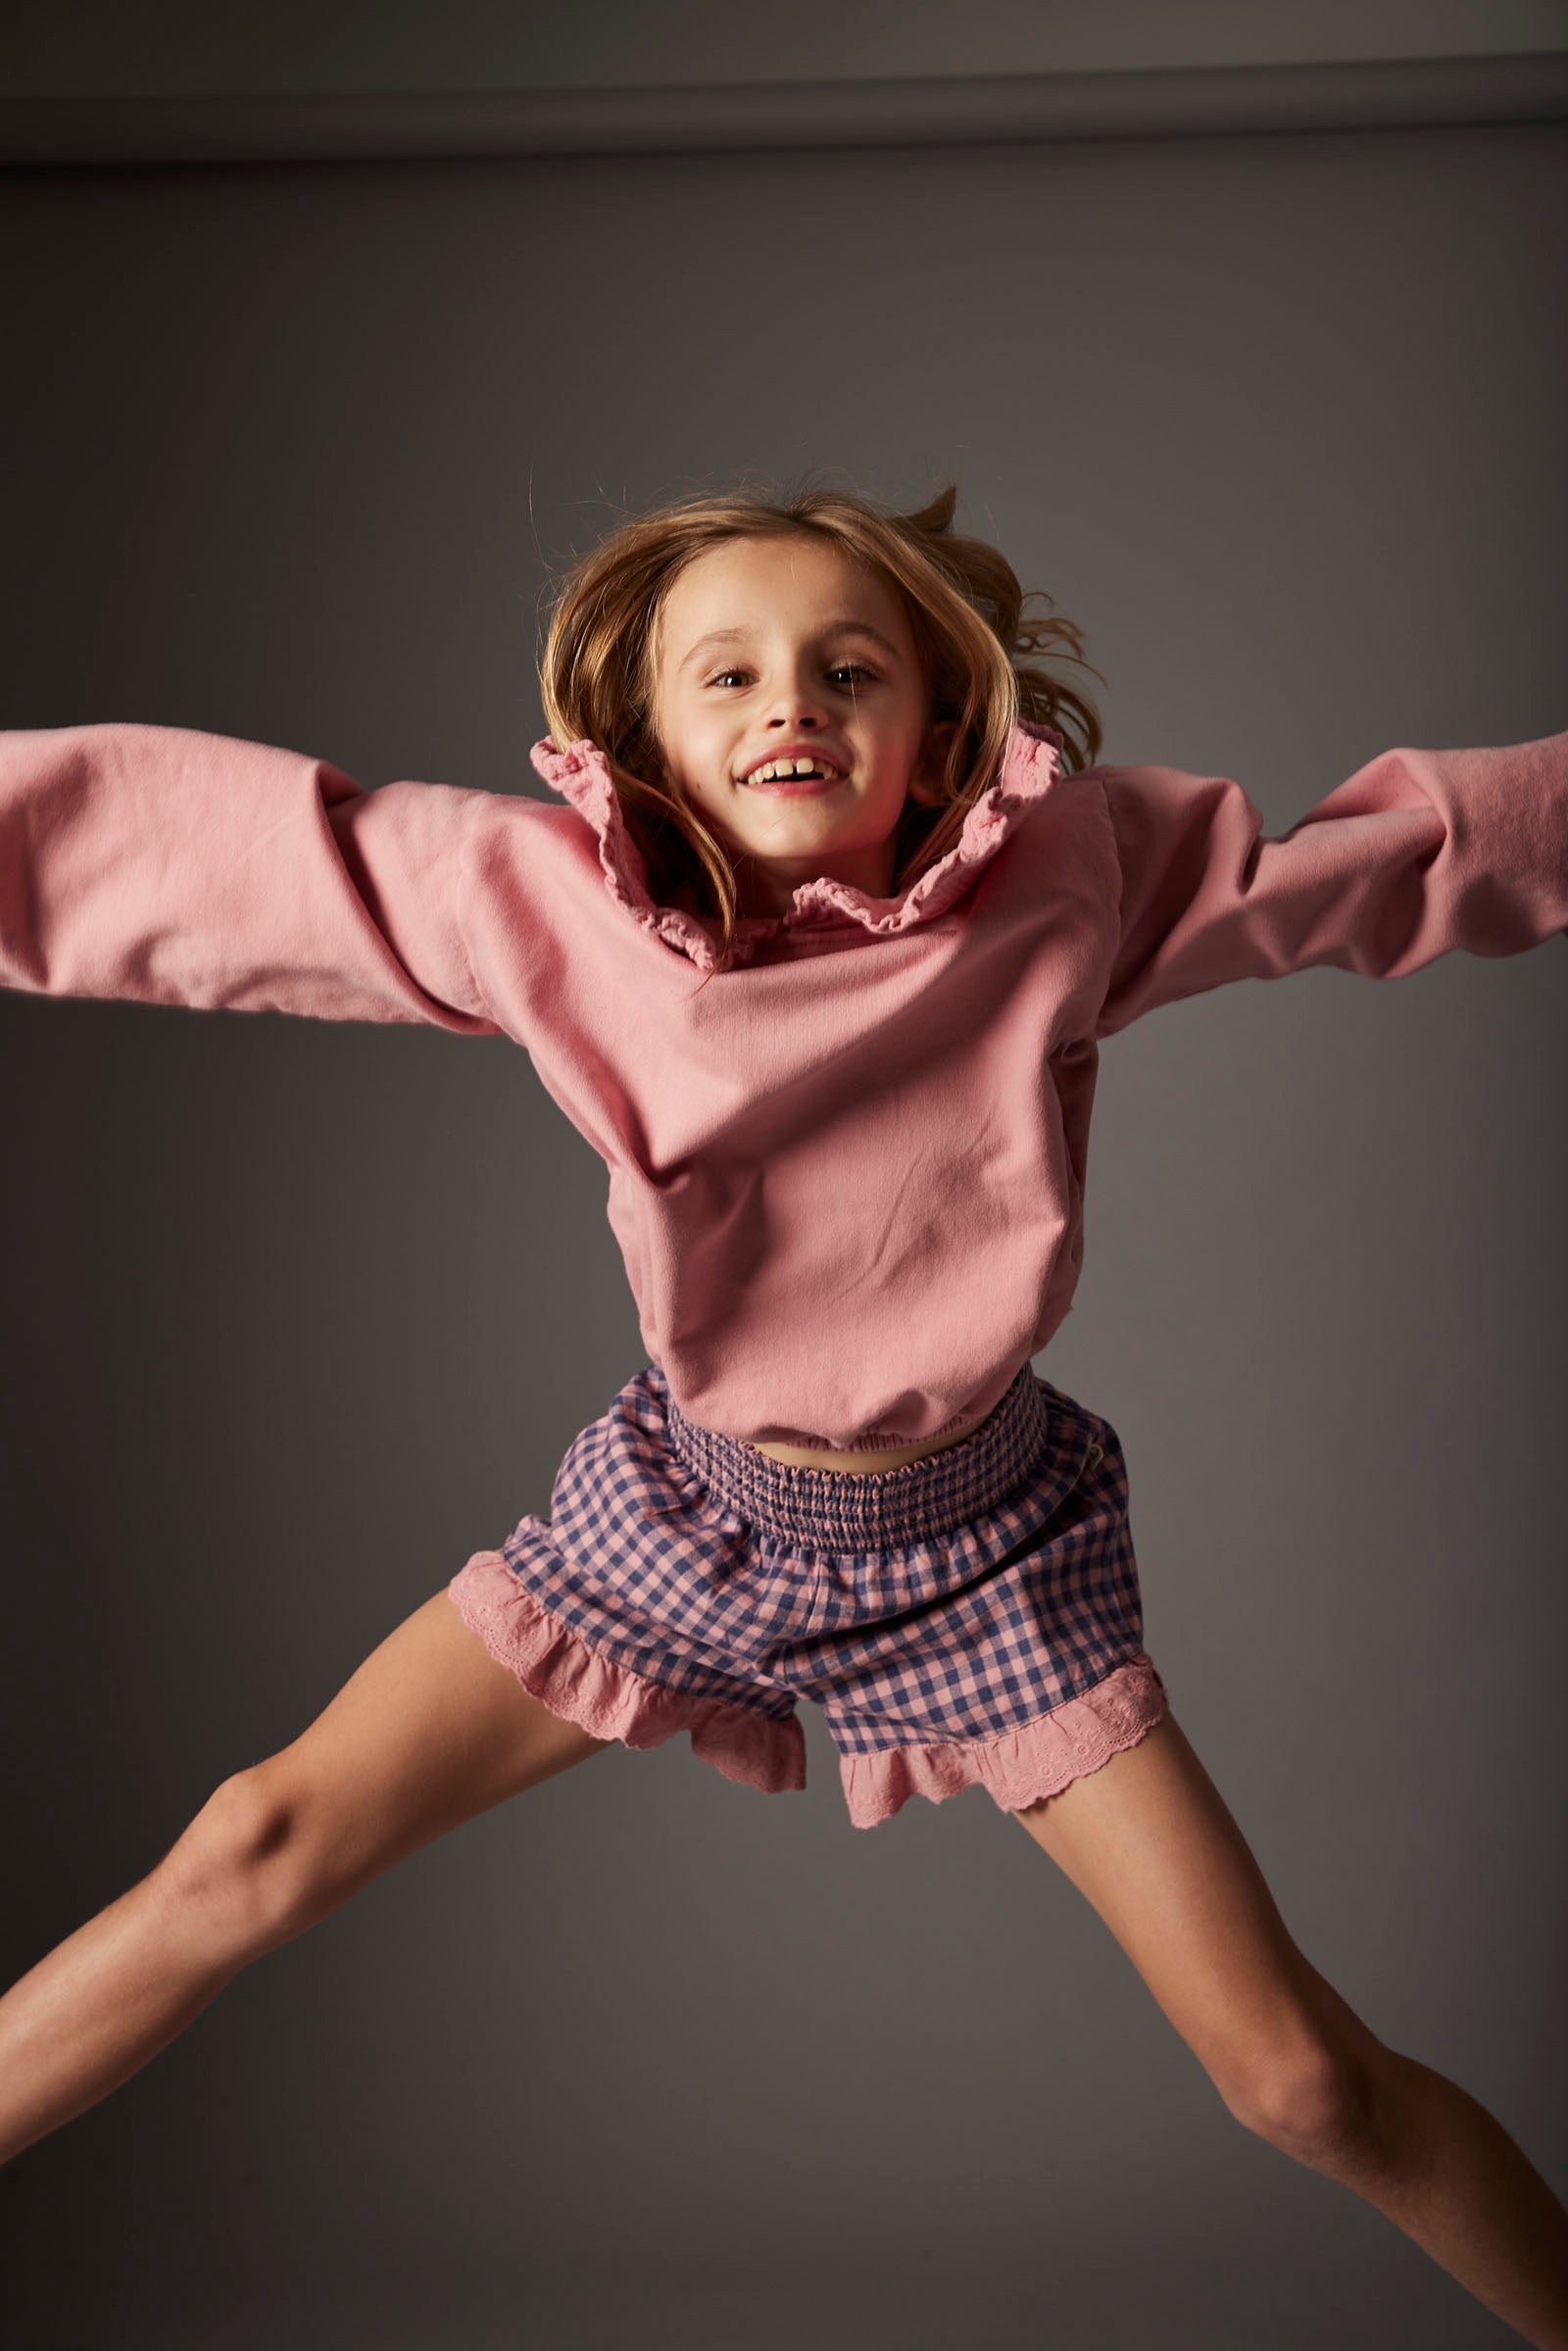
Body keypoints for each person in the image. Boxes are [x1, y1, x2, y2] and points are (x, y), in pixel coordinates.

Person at [1, 482, 1566, 2342]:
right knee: (249, 1844)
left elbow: (1383, 859)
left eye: (848, 668)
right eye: (727, 674)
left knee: (1300, 2083)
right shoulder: (541, 900)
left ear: (937, 728)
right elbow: (233, 860)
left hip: (986, 1554)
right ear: (646, 740)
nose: (789, 705)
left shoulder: (1066, 877)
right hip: (684, 1519)